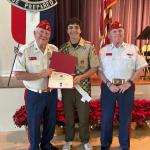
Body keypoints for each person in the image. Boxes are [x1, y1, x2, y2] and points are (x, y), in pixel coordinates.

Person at [98, 21, 148, 150]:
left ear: (124, 33)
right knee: (106, 117)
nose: (117, 33)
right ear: (109, 34)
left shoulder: (133, 49)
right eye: (114, 31)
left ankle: (125, 145)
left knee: (125, 118)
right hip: (108, 88)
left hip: (126, 87)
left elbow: (141, 68)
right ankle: (105, 144)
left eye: (120, 31)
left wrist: (129, 82)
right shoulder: (103, 50)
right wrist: (108, 84)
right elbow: (99, 71)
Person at [13, 20, 58, 150]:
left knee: (50, 122)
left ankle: (46, 145)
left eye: (47, 33)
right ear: (34, 33)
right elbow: (18, 75)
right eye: (41, 32)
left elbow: (59, 70)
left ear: (50, 36)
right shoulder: (25, 50)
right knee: (34, 124)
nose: (44, 35)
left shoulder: (54, 49)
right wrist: (41, 75)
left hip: (51, 93)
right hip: (34, 94)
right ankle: (34, 147)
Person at [59, 17, 99, 150]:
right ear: (67, 30)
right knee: (68, 116)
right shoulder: (63, 48)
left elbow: (94, 68)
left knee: (83, 116)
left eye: (76, 27)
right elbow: (59, 70)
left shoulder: (89, 46)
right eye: (70, 27)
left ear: (80, 30)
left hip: (83, 87)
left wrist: (81, 77)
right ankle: (69, 140)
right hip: (67, 88)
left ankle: (85, 140)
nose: (73, 30)